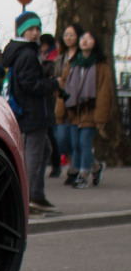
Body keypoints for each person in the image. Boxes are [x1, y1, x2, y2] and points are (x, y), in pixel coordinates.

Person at [2, 11, 61, 214]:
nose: (35, 32)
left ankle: (36, 195)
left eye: (37, 28)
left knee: (44, 150)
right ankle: (25, 200)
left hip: (29, 111)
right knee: (35, 154)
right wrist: (52, 83)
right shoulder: (27, 53)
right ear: (22, 31)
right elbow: (29, 84)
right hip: (33, 112)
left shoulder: (22, 51)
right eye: (31, 29)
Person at [55, 30, 115, 189]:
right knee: (75, 144)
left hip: (91, 110)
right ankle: (95, 166)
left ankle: (83, 175)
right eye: (83, 38)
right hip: (74, 111)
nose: (85, 41)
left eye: (89, 38)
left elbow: (104, 92)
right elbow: (64, 87)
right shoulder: (73, 64)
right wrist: (60, 110)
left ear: (95, 42)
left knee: (84, 143)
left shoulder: (101, 65)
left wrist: (100, 117)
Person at [50, 23, 84, 174]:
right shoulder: (61, 56)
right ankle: (93, 165)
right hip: (61, 101)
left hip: (78, 102)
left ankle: (74, 169)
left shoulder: (83, 56)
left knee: (75, 140)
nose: (68, 38)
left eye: (72, 35)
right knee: (61, 138)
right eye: (66, 35)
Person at [38, 33, 61, 176]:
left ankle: (56, 165)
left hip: (48, 100)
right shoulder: (49, 55)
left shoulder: (50, 57)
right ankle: (55, 165)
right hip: (46, 100)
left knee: (51, 134)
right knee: (50, 134)